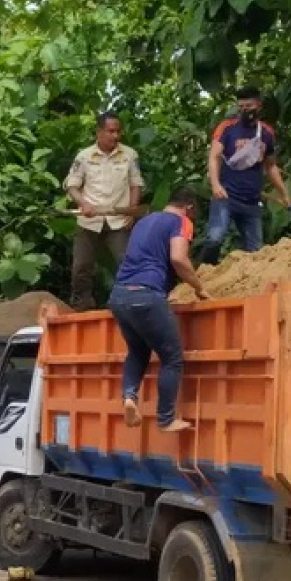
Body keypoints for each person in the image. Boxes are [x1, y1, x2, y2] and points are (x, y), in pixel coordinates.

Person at [109, 186, 209, 433]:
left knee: (138, 352)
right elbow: (178, 259)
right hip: (146, 295)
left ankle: (130, 397)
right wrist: (198, 287)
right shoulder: (181, 221)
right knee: (172, 357)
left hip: (119, 296)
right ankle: (166, 419)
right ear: (189, 208)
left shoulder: (144, 221)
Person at [201, 86, 291, 264]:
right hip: (227, 196)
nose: (245, 110)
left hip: (252, 201)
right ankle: (204, 275)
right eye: (241, 106)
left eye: (249, 106)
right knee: (215, 238)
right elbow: (214, 157)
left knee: (256, 252)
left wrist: (284, 195)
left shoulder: (266, 133)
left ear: (258, 105)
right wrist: (215, 184)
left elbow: (271, 166)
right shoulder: (227, 128)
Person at [65, 111, 145, 312]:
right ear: (99, 132)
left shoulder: (129, 155)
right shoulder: (84, 157)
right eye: (111, 131)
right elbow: (72, 186)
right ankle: (81, 305)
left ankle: (128, 303)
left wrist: (132, 209)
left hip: (118, 218)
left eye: (118, 132)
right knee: (81, 267)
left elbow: (136, 184)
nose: (115, 136)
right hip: (89, 220)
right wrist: (83, 203)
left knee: (126, 262)